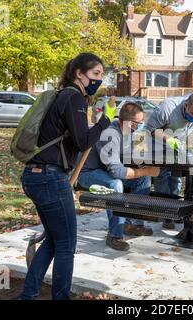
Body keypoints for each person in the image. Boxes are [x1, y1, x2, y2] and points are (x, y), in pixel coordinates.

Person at [19, 53, 116, 300]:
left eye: (101, 76)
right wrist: (105, 121)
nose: (98, 80)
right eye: (95, 74)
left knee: (53, 240)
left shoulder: (62, 96)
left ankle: (28, 295)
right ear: (78, 74)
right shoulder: (74, 97)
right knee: (66, 245)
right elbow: (83, 141)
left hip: (35, 175)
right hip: (50, 178)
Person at [78, 102, 160, 251]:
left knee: (142, 180)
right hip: (88, 173)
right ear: (128, 122)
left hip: (106, 170)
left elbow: (141, 156)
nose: (141, 126)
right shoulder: (109, 135)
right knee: (116, 184)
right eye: (138, 123)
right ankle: (114, 235)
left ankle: (132, 224)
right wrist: (147, 170)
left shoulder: (132, 133)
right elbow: (116, 172)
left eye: (143, 122)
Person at [145, 93, 193, 229]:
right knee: (162, 176)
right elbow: (151, 129)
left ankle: (175, 210)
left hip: (178, 142)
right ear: (186, 105)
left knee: (176, 176)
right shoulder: (167, 108)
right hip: (157, 141)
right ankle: (165, 213)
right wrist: (168, 139)